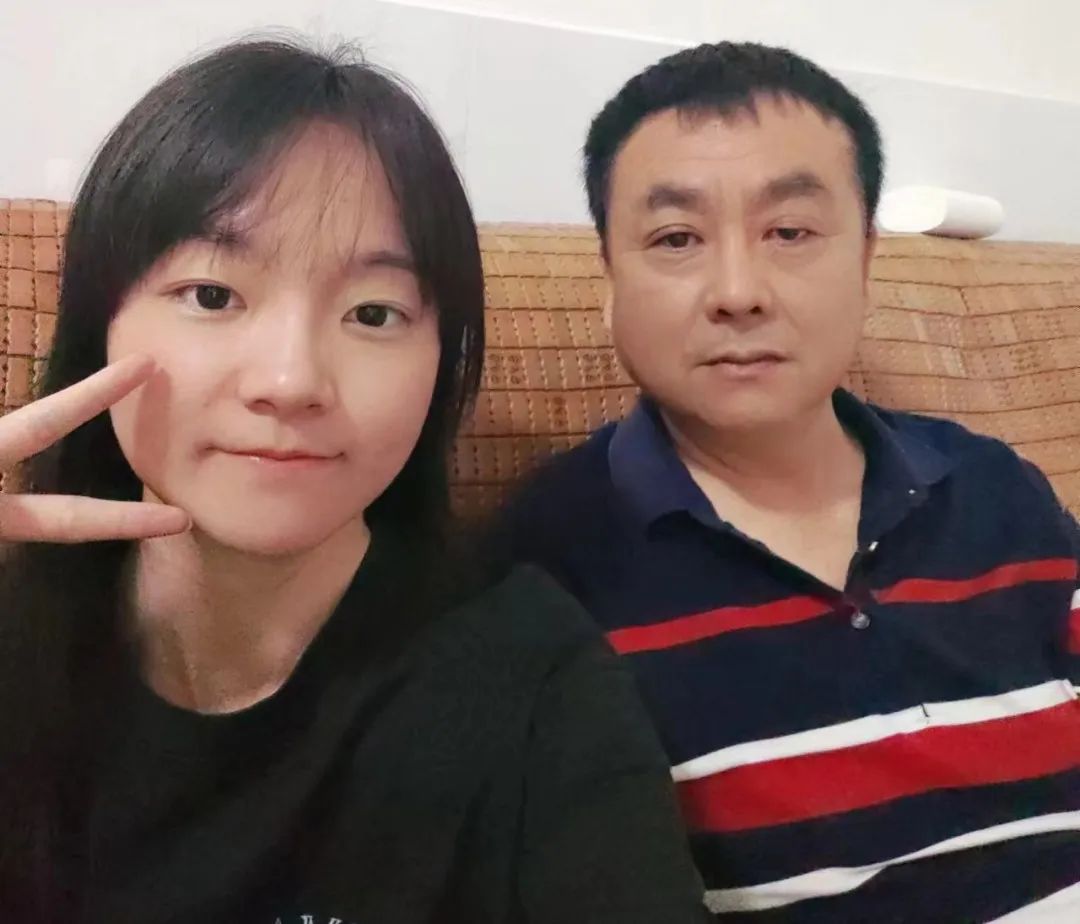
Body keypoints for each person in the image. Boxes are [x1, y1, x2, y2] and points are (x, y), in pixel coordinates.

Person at [0, 39, 708, 924]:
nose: (291, 380)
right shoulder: (20, 642)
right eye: (213, 296)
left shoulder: (532, 680)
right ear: (99, 321)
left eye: (373, 313)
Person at [494, 42, 1080, 922]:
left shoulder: (995, 489)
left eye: (790, 232)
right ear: (609, 281)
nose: (739, 292)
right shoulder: (544, 571)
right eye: (677, 239)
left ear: (867, 259)